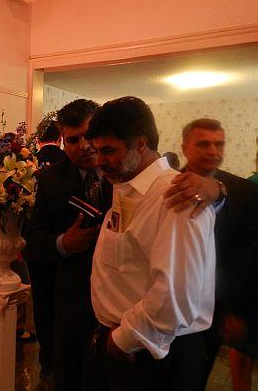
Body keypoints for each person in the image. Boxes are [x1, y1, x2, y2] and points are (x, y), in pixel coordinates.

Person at [84, 97, 216, 391]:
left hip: (152, 351)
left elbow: (177, 294)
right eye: (97, 151)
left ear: (141, 144)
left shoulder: (176, 195)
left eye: (109, 151)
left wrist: (124, 340)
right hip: (121, 342)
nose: (100, 161)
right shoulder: (125, 186)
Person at [24, 99, 111, 390]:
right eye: (73, 140)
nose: (83, 146)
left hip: (120, 306)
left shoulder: (125, 173)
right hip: (68, 306)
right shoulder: (49, 178)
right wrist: (64, 243)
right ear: (63, 140)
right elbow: (33, 240)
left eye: (88, 135)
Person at [180, 118, 258, 391]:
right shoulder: (167, 187)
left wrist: (234, 310)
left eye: (219, 144)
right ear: (185, 147)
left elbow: (245, 257)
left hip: (216, 308)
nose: (213, 150)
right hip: (171, 303)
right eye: (203, 144)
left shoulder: (245, 192)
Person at [21, 119, 68, 376]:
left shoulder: (26, 162)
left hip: (34, 242)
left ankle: (46, 356)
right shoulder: (68, 162)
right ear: (61, 138)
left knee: (42, 302)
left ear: (38, 139)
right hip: (66, 246)